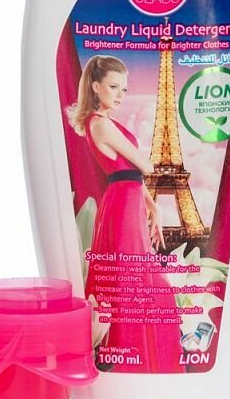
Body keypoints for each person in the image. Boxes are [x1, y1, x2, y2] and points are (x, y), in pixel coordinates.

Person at [67, 55, 184, 373]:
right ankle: (135, 359)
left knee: (135, 281)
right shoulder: (101, 124)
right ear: (95, 86)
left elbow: (128, 171)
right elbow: (143, 165)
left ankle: (139, 358)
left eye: (125, 89)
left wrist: (152, 204)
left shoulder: (104, 123)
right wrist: (146, 173)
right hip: (122, 207)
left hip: (128, 199)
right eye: (113, 87)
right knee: (134, 281)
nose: (120, 95)